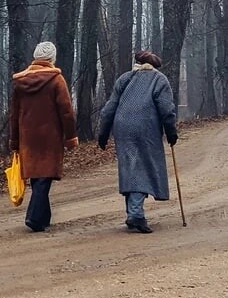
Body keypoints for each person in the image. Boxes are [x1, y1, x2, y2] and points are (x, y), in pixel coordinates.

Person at [97, 49, 179, 233]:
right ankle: (136, 215)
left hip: (122, 128)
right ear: (155, 66)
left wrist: (103, 133)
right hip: (145, 129)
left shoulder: (125, 78)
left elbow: (110, 108)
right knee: (141, 168)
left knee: (130, 166)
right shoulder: (159, 80)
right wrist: (171, 131)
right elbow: (166, 108)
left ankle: (133, 212)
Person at [9, 41, 78, 232]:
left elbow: (14, 114)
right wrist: (70, 137)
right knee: (44, 177)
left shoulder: (20, 83)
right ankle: (33, 217)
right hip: (50, 137)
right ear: (51, 59)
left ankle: (44, 218)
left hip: (27, 138)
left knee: (37, 177)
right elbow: (67, 112)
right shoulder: (57, 80)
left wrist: (14, 140)